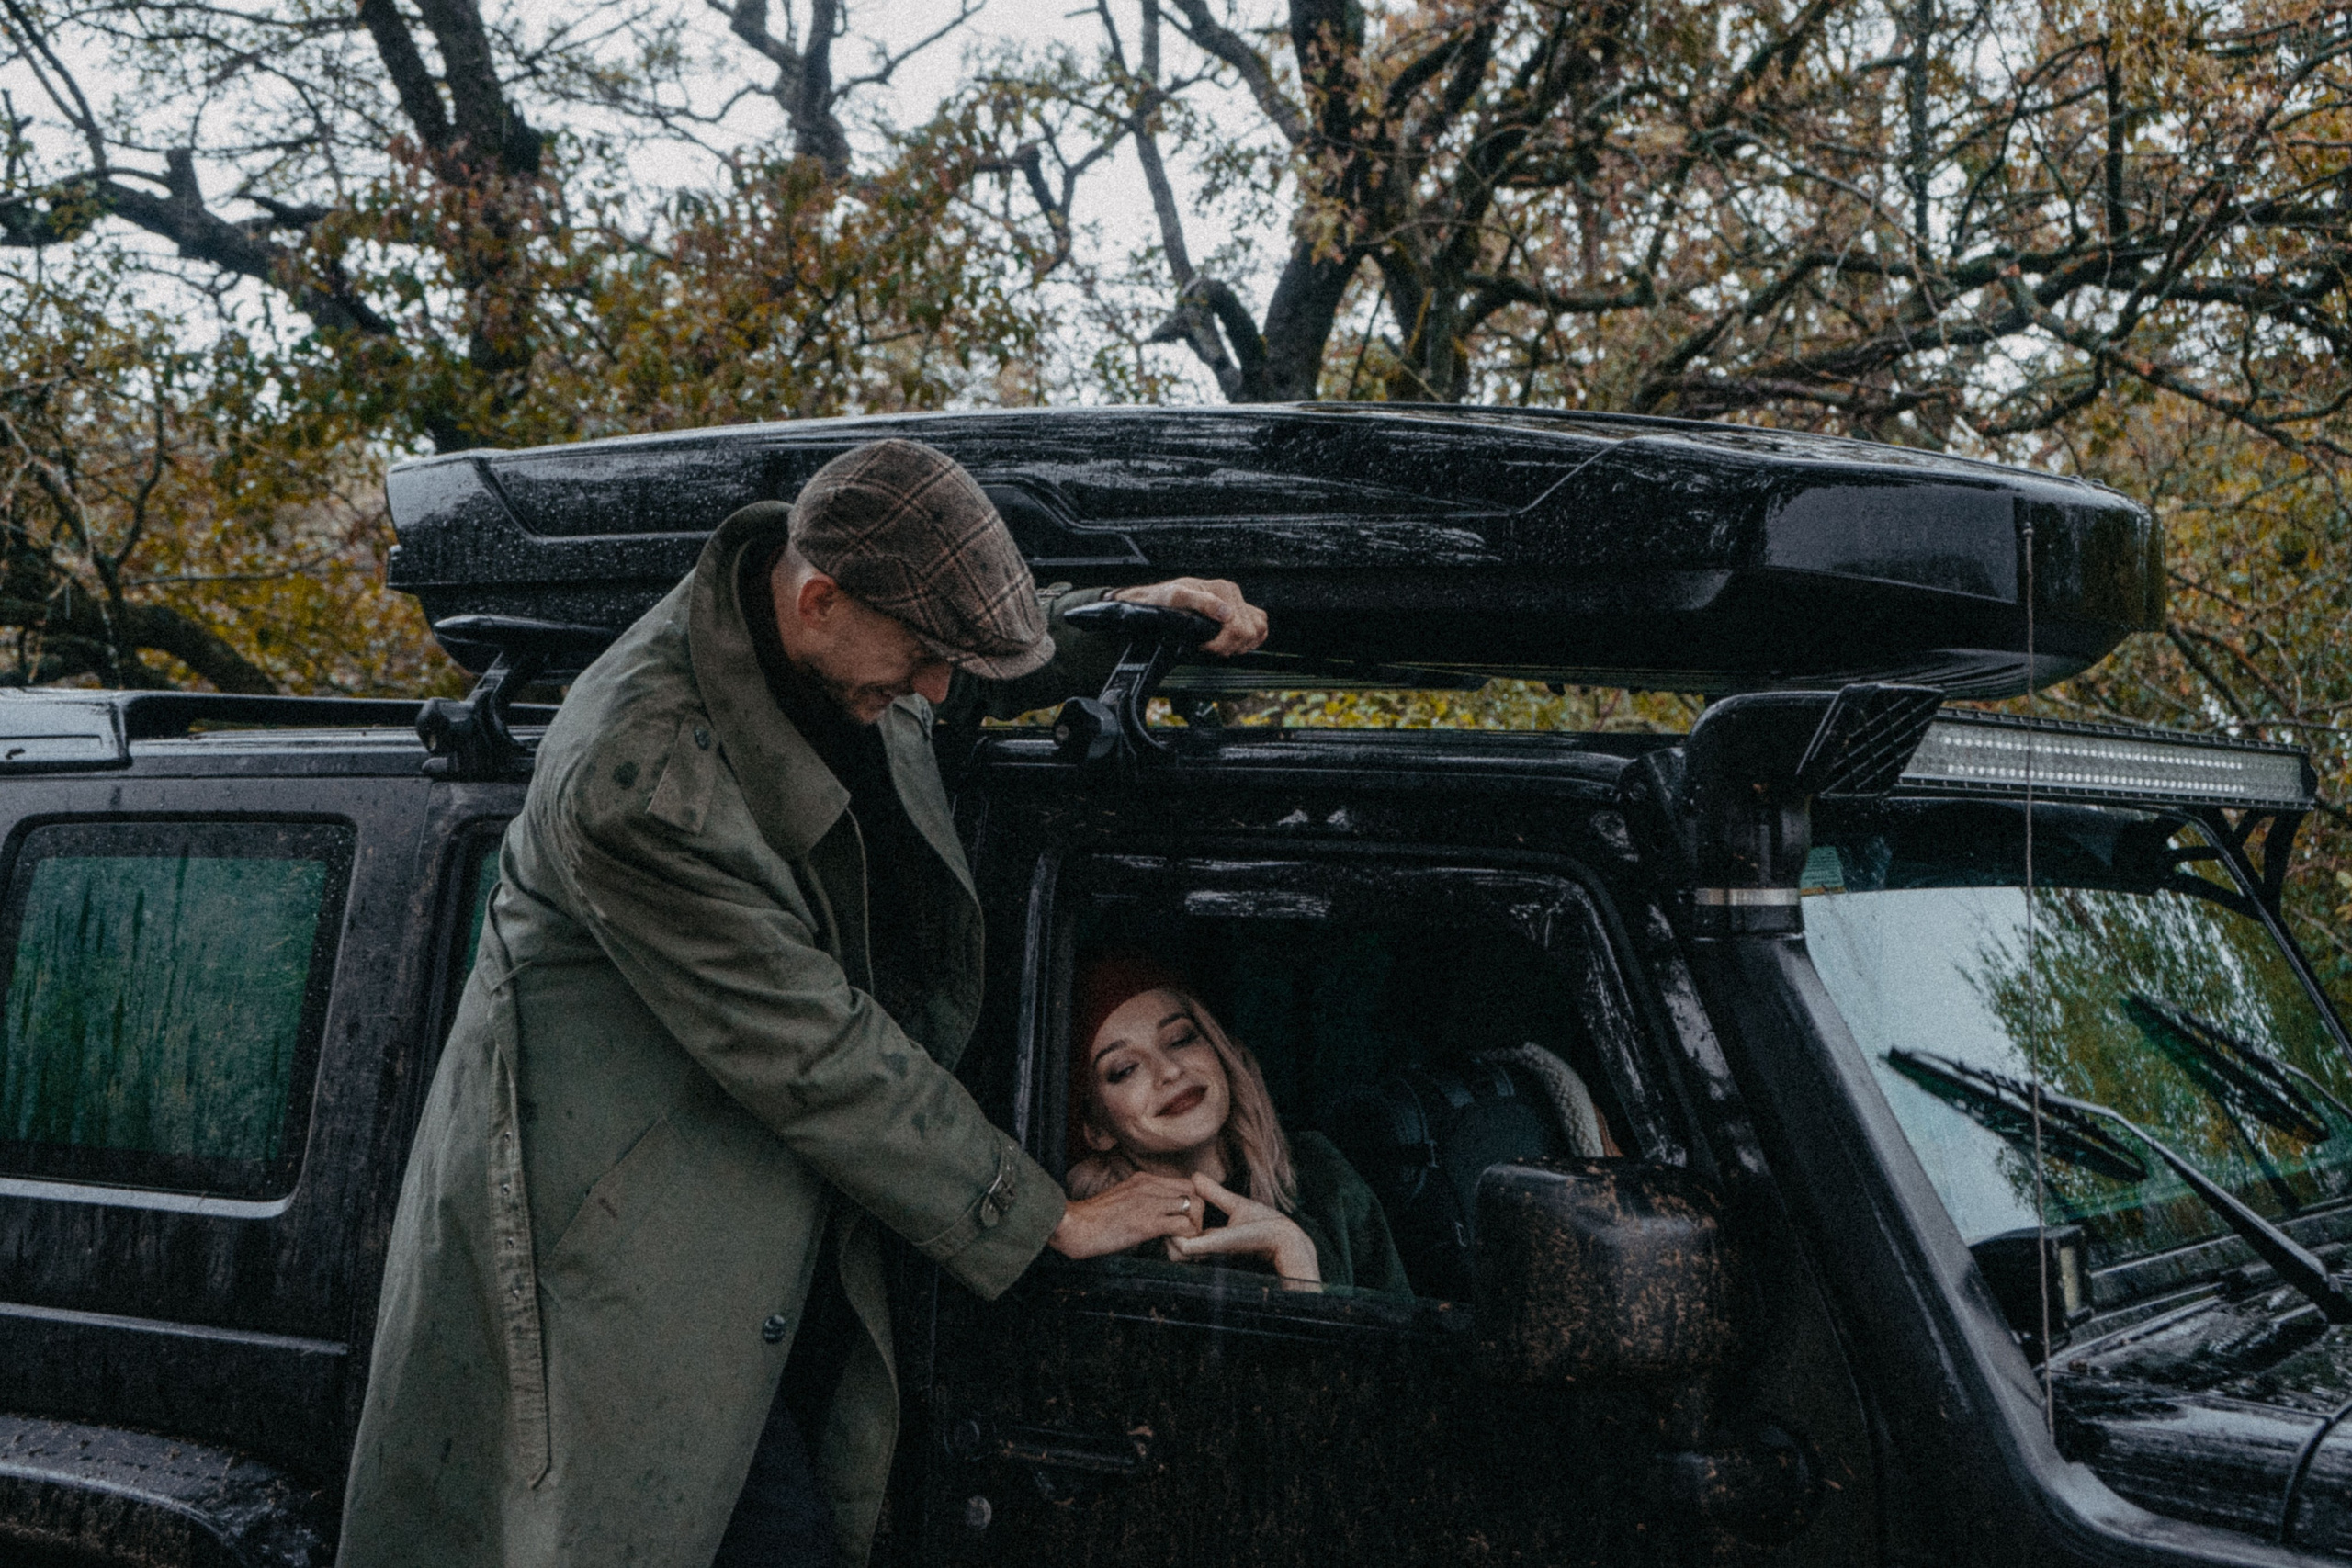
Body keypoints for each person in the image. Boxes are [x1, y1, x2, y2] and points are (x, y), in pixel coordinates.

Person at [338, 439, 1268, 1568]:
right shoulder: (636, 780)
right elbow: (809, 1043)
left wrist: (1126, 616)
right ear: (819, 601)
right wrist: (1044, 1216)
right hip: (628, 1241)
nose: (936, 690)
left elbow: (968, 660)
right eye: (921, 659)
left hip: (809, 1187)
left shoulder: (834, 622)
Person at [1066, 953, 1410, 1295]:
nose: (1170, 1071)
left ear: (1218, 1050)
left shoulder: (1321, 1173)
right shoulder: (1099, 1245)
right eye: (1125, 1069)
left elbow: (1400, 1347)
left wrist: (1295, 1256)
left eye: (1181, 1039)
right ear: (1097, 1130)